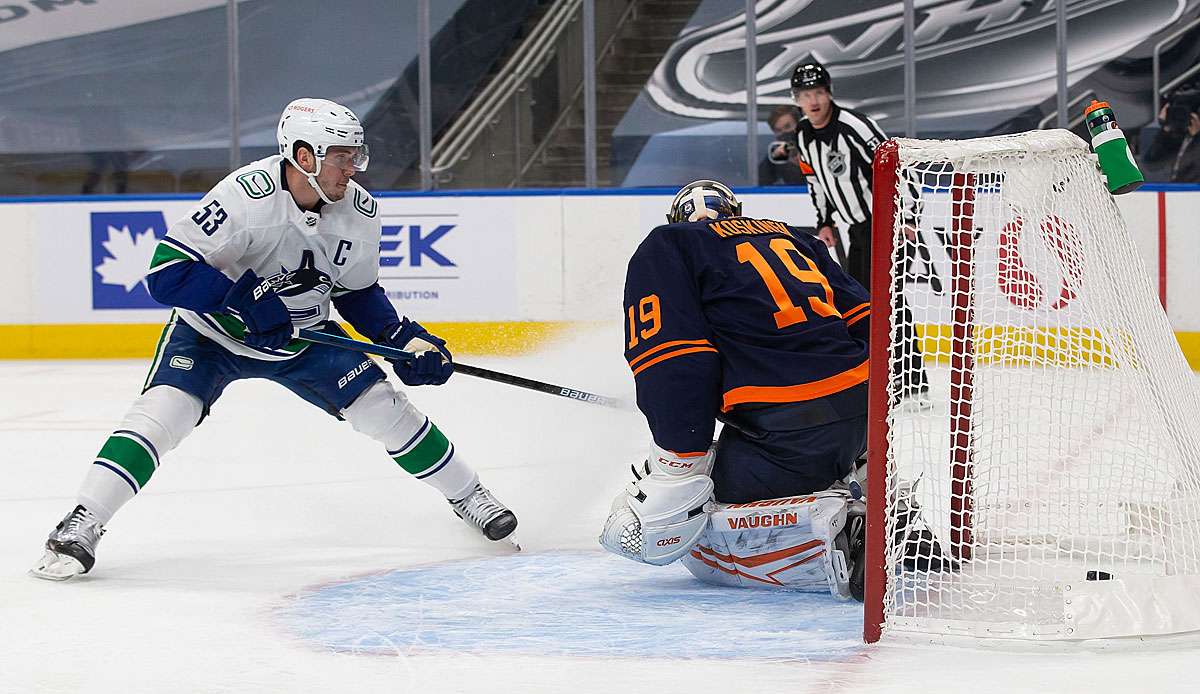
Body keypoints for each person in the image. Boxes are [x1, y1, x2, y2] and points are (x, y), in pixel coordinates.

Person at [31, 98, 518, 581]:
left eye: (355, 155)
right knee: (162, 416)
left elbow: (358, 292)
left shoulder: (362, 213)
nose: (352, 168)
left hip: (305, 339)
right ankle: (85, 520)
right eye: (340, 156)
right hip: (212, 336)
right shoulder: (245, 198)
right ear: (304, 156)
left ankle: (468, 496)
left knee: (385, 409)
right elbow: (166, 274)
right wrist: (243, 300)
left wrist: (405, 338)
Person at [599, 180, 877, 599]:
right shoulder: (791, 235)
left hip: (786, 429)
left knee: (698, 533)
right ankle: (883, 501)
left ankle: (840, 530)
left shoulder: (669, 245)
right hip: (862, 412)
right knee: (810, 451)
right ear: (736, 211)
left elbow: (674, 357)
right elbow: (870, 320)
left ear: (677, 220)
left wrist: (681, 455)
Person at [789, 60, 928, 400]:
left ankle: (909, 383)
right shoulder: (804, 134)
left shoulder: (855, 126)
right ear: (797, 100)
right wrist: (824, 220)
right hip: (855, 229)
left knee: (880, 298)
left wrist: (907, 216)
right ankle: (887, 376)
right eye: (806, 94)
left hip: (884, 221)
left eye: (819, 92)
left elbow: (897, 166)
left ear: (829, 93)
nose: (814, 100)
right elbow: (814, 180)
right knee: (863, 301)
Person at [1144, 90, 1200, 183]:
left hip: (1193, 193)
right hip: (1174, 192)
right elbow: (1151, 162)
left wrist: (1196, 137)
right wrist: (1165, 129)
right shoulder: (1174, 136)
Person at [759, 105, 809, 186]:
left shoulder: (817, 148)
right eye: (778, 130)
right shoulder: (776, 159)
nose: (785, 133)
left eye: (787, 126)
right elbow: (762, 185)